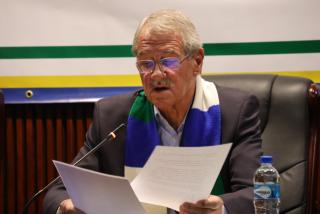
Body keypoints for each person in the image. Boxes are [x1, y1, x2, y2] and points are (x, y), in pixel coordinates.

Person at [44, 9, 262, 214]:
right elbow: (58, 192)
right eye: (146, 63)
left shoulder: (235, 111)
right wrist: (66, 206)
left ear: (197, 61)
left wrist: (222, 207)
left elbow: (258, 192)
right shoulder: (112, 116)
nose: (157, 74)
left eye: (168, 61)